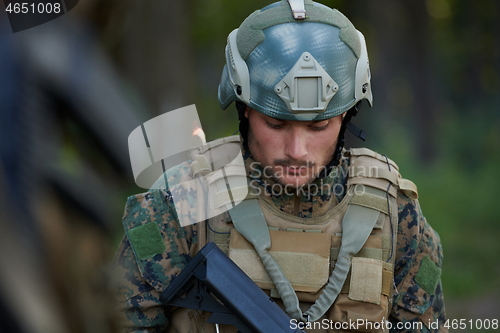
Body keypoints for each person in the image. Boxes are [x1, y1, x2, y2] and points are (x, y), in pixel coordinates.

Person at [113, 0, 447, 332]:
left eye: (318, 127)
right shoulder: (178, 202)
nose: (297, 151)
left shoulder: (397, 214)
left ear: (347, 116)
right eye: (275, 124)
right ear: (244, 110)